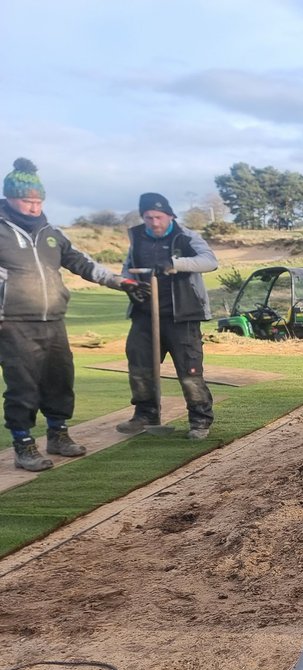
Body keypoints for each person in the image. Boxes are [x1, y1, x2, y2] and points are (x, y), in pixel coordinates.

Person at [0, 158, 147, 472]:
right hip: (13, 323)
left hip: (53, 319)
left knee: (60, 381)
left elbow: (83, 263)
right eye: (27, 201)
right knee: (23, 386)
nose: (34, 206)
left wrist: (122, 282)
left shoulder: (52, 232)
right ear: (10, 198)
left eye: (38, 201)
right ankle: (23, 444)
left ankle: (58, 434)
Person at [119, 192, 218, 440]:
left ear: (170, 215)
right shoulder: (138, 237)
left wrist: (176, 263)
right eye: (148, 217)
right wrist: (129, 284)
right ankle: (145, 414)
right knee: (140, 367)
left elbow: (209, 261)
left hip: (182, 315)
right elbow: (127, 267)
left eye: (159, 217)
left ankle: (200, 419)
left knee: (190, 371)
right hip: (144, 314)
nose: (154, 222)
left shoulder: (185, 237)